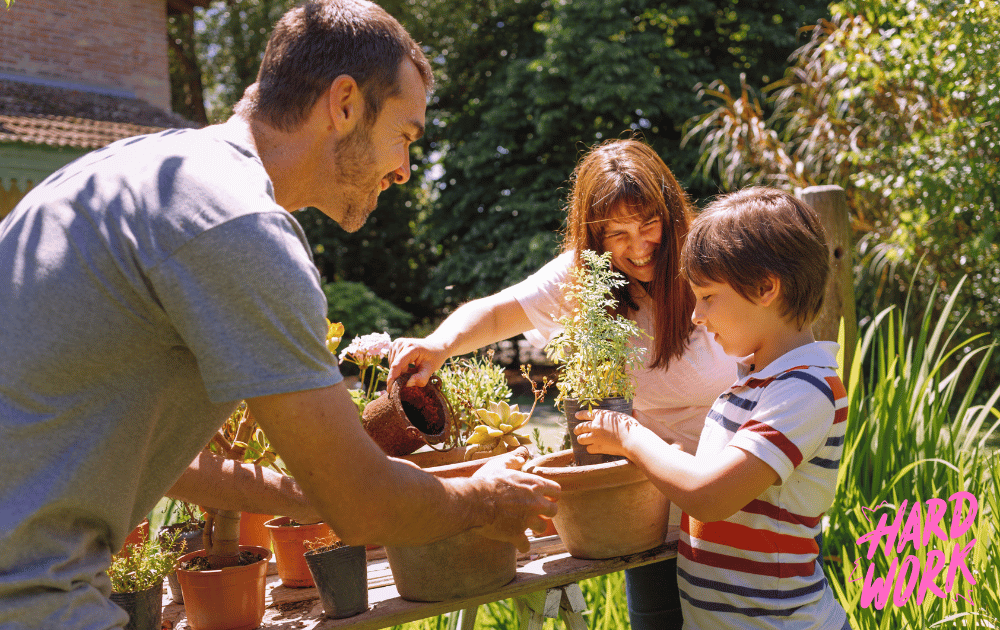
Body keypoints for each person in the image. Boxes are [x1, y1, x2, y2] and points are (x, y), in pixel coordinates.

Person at [0, 1, 559, 627]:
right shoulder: (238, 223)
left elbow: (139, 451)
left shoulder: (141, 174)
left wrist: (306, 489)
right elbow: (360, 505)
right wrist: (485, 496)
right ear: (344, 104)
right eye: (405, 135)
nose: (404, 171)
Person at [388, 138, 739, 629]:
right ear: (593, 237)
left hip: (741, 509)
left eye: (649, 225)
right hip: (653, 519)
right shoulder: (581, 278)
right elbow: (495, 312)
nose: (638, 247)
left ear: (672, 212)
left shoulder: (708, 259)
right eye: (617, 233)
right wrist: (440, 344)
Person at [573, 187, 850, 629]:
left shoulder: (805, 389)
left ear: (765, 288)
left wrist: (632, 438)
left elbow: (711, 496)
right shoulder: (751, 385)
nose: (695, 316)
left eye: (707, 297)